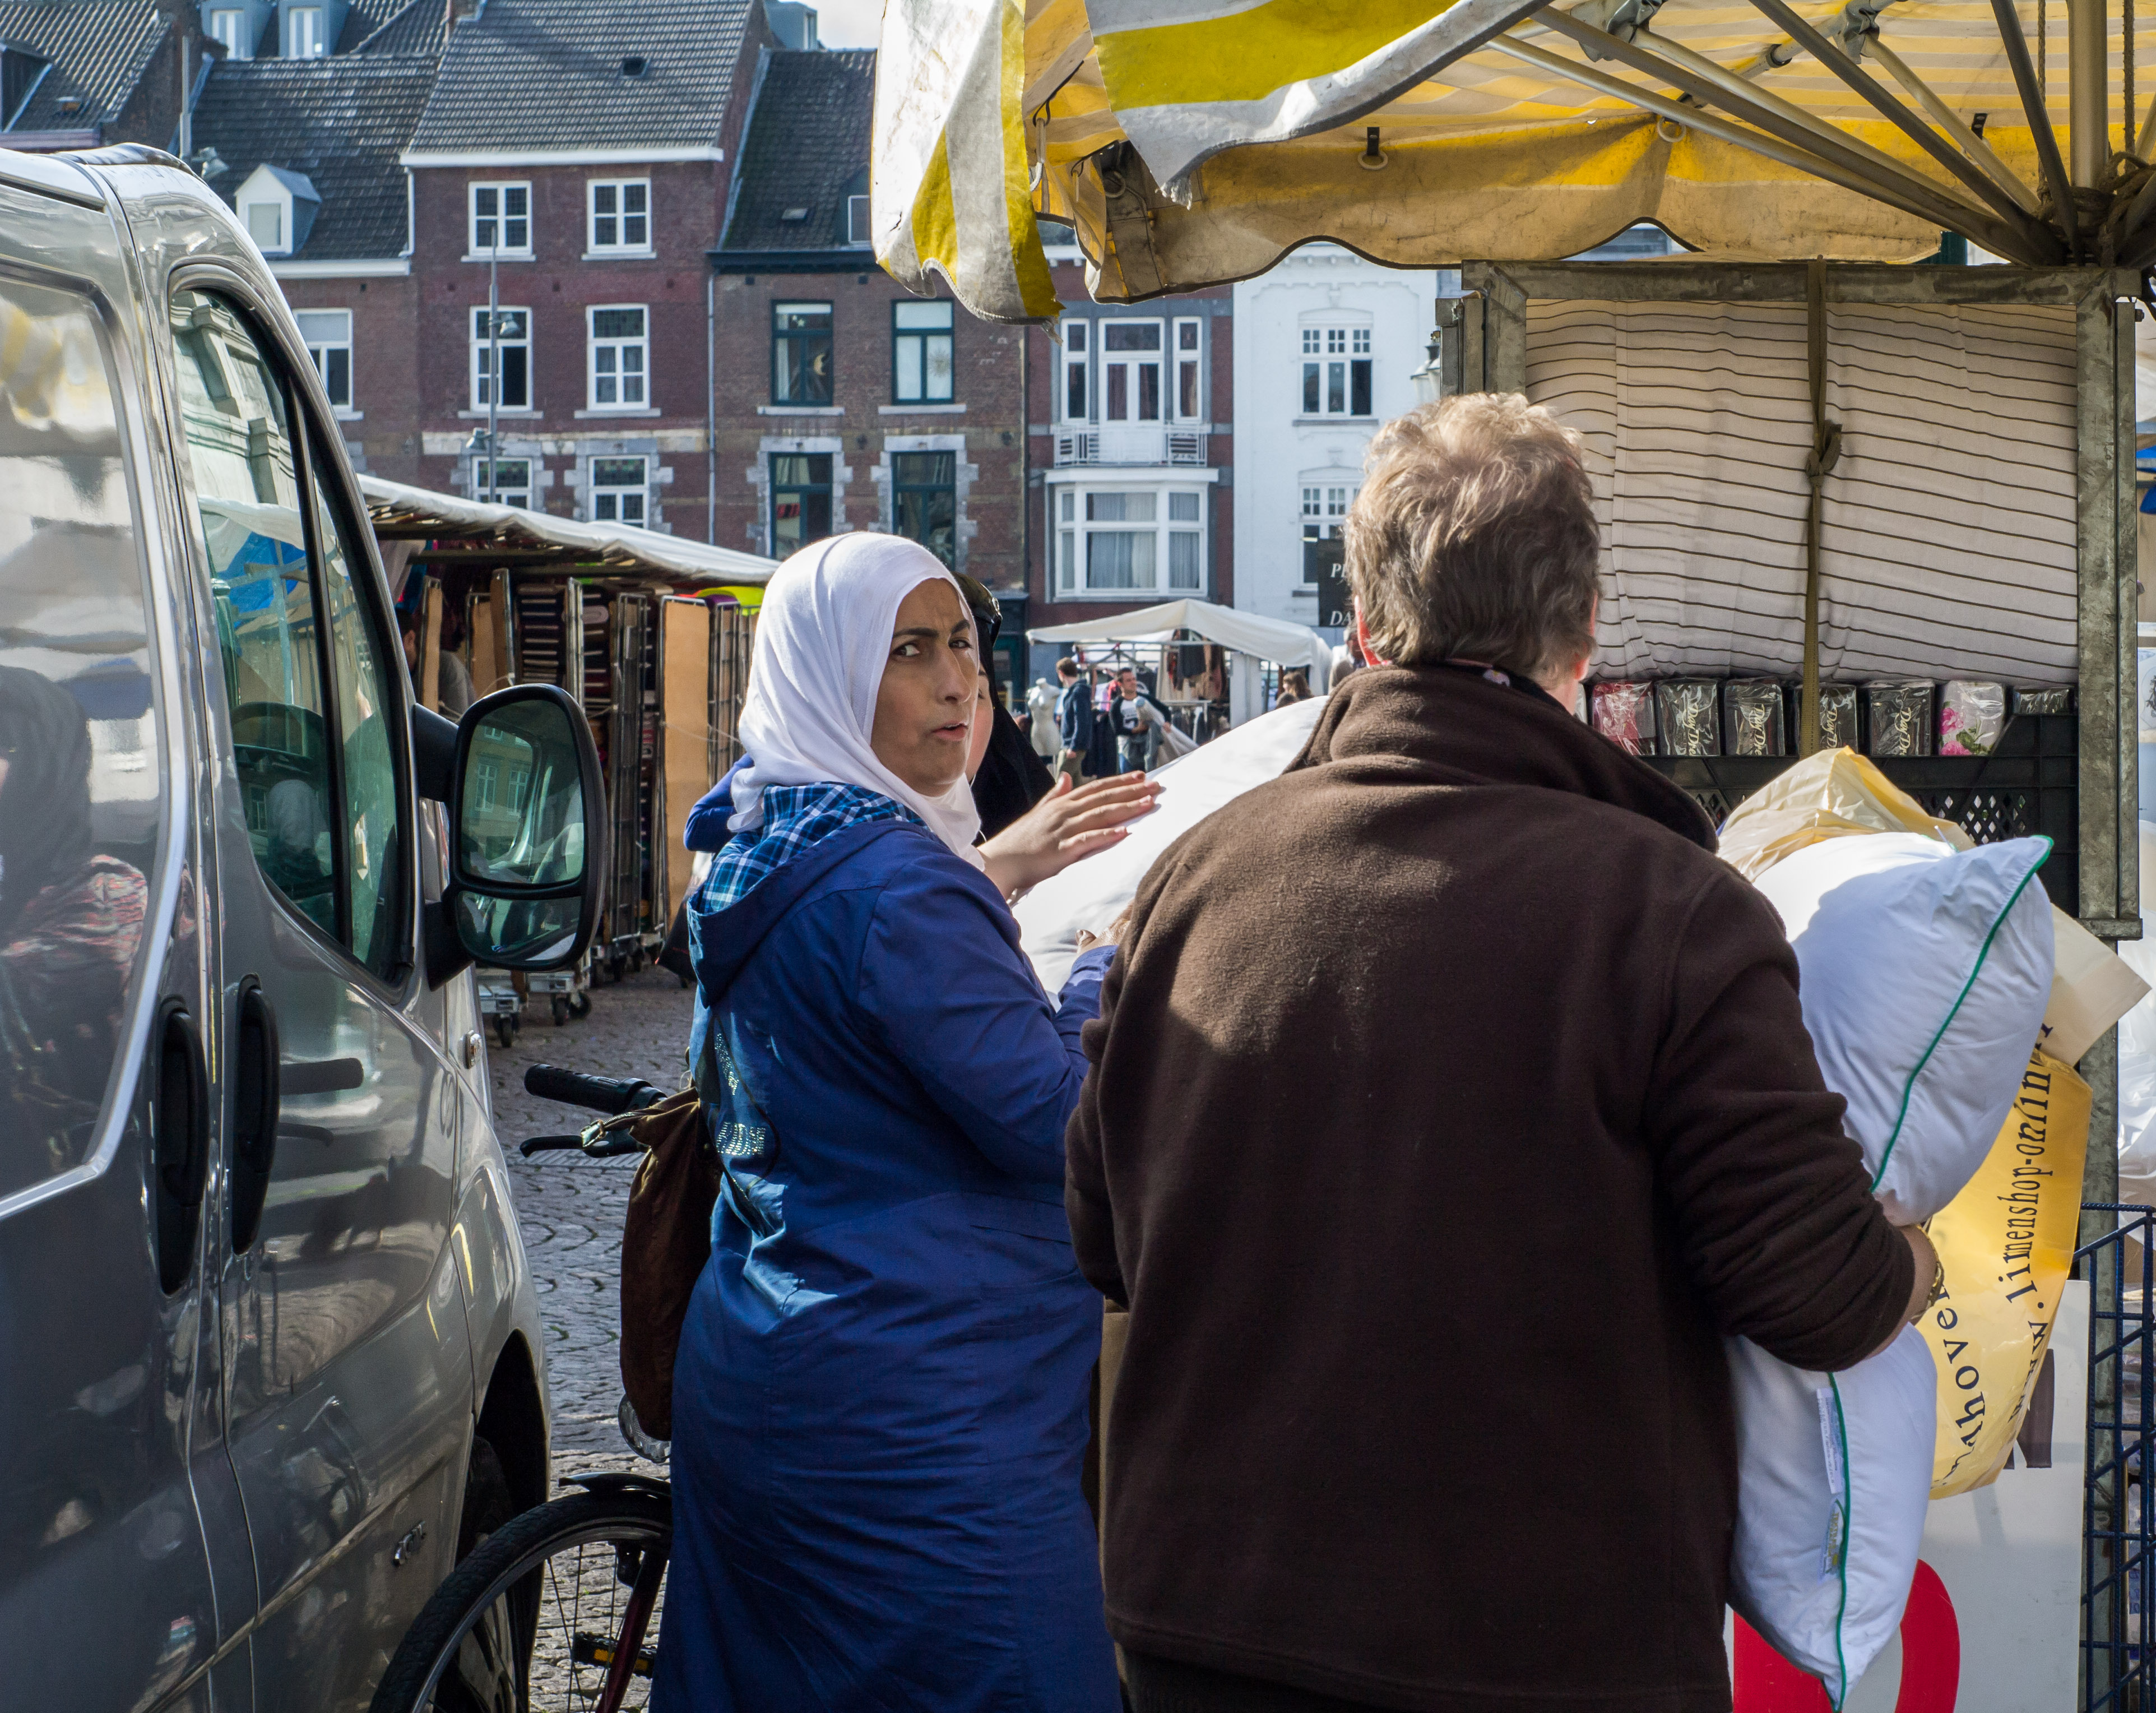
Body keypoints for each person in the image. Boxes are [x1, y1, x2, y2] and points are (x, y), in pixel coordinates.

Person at [1064, 394, 1935, 1713]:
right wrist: (1911, 1254)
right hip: (1541, 1644)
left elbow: (1099, 1231)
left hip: (1206, 1623)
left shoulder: (1197, 878)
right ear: (1584, 625)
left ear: (1364, 627)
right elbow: (1818, 1289)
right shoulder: (1673, 913)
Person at [659, 533, 1139, 1712]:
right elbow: (1061, 1122)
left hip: (773, 1380)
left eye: (963, 645)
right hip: (924, 1425)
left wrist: (989, 880)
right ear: (829, 670)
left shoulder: (765, 840)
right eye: (907, 650)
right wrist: (1104, 974)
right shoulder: (902, 888)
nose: (955, 681)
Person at [0, 667, 149, 1182]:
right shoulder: (10, 883)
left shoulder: (107, 897)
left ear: (44, 765)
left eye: (5, 750)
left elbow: (15, 989)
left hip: (70, 1196)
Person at [1107, 665, 1170, 774]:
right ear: (1120, 684)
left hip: (1147, 747)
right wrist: (1136, 730)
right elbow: (1117, 730)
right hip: (1127, 749)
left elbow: (1165, 709)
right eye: (1128, 681)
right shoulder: (1117, 705)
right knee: (1128, 782)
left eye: (1134, 679)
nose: (1133, 682)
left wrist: (1168, 723)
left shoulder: (1145, 699)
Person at [1051, 656, 1093, 784]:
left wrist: (1073, 746)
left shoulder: (1078, 692)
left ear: (1061, 673)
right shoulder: (1077, 691)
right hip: (1073, 745)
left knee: (1061, 783)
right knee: (1074, 785)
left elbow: (1081, 721)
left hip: (1073, 746)